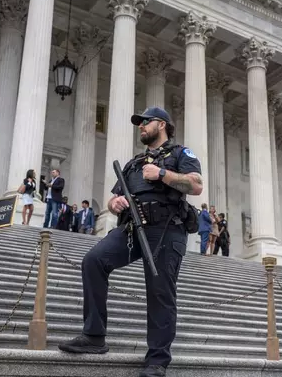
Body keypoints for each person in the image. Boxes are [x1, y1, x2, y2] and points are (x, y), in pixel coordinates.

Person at [57, 106, 203, 377]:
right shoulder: (133, 164)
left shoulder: (181, 154)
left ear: (161, 124)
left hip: (166, 229)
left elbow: (195, 185)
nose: (141, 127)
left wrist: (162, 175)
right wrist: (115, 203)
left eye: (145, 122)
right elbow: (114, 200)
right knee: (93, 260)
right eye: (139, 123)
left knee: (160, 291)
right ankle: (94, 336)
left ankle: (157, 360)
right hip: (132, 227)